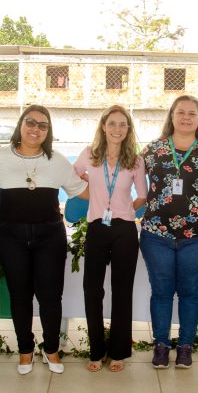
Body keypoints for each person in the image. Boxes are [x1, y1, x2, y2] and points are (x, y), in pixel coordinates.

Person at [0, 104, 88, 375]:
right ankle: (25, 349)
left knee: (50, 296)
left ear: (48, 131)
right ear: (21, 124)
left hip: (49, 236)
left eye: (43, 125)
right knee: (19, 296)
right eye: (30, 122)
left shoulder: (57, 160)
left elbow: (82, 190)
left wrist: (115, 186)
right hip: (11, 236)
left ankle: (51, 348)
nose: (35, 129)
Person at [140, 95, 198, 369]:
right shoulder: (152, 150)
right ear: (172, 116)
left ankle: (186, 345)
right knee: (161, 292)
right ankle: (161, 345)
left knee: (190, 293)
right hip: (156, 236)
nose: (186, 118)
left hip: (197, 237)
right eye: (181, 112)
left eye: (192, 113)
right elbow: (130, 181)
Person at [73, 105, 147, 373]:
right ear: (103, 126)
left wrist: (125, 210)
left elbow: (142, 195)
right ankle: (96, 350)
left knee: (122, 290)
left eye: (123, 124)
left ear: (128, 129)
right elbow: (72, 179)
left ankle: (118, 351)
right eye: (112, 123)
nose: (117, 129)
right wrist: (91, 192)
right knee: (92, 290)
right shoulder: (89, 154)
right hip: (97, 227)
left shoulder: (135, 160)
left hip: (124, 229)